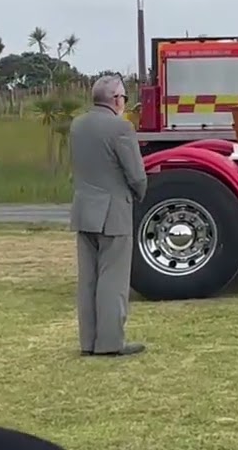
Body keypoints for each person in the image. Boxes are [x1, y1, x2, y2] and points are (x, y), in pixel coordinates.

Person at [68, 75, 148, 357]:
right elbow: (136, 174)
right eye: (124, 98)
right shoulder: (120, 128)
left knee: (88, 279)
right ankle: (111, 342)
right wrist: (140, 193)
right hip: (113, 211)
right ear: (116, 100)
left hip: (84, 208)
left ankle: (88, 342)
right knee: (113, 278)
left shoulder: (77, 125)